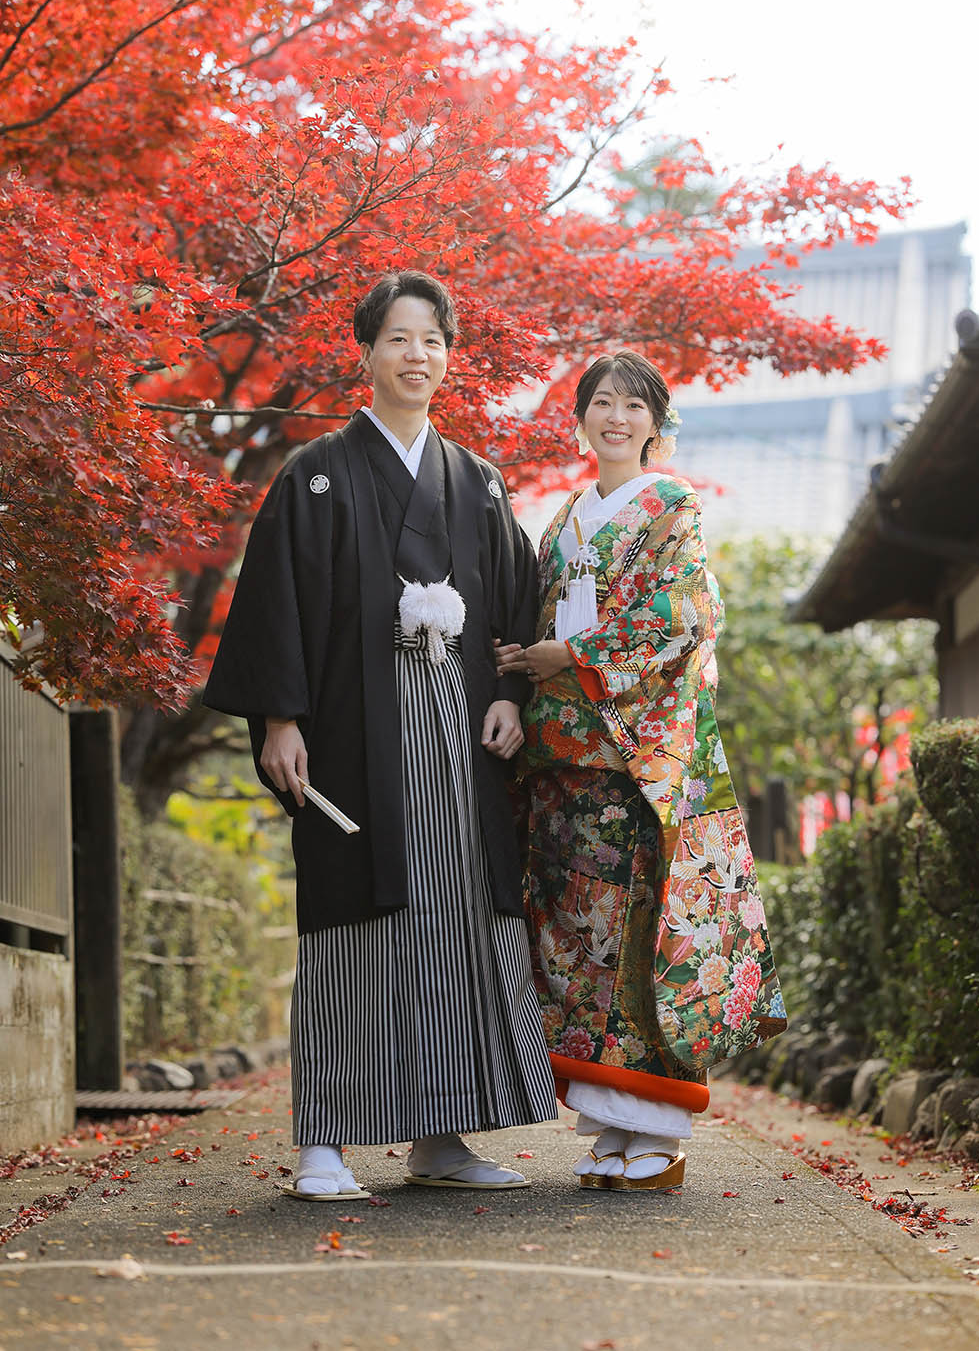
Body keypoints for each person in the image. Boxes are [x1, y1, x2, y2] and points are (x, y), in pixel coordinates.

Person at [204, 270, 557, 1199]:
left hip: (457, 729)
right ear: (365, 352)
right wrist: (279, 717)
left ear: (448, 357)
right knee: (351, 921)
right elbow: (278, 603)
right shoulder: (316, 473)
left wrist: (514, 696)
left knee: (454, 917)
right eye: (399, 338)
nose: (417, 356)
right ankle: (325, 1136)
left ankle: (442, 1138)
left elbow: (516, 604)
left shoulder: (475, 480)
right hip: (354, 735)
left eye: (433, 341)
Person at [497, 351, 786, 1191]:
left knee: (638, 935)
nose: (615, 417)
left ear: (656, 424)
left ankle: (658, 1129)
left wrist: (571, 653)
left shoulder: (671, 505)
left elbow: (684, 612)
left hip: (636, 762)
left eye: (632, 405)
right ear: (580, 417)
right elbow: (537, 611)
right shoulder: (562, 518)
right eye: (600, 403)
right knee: (577, 944)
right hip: (564, 765)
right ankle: (610, 1126)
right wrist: (524, 659)